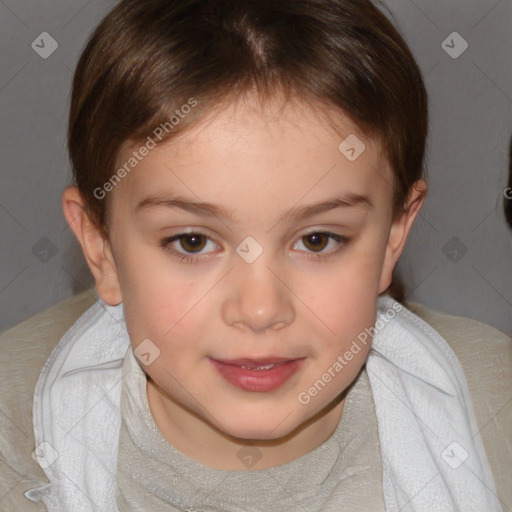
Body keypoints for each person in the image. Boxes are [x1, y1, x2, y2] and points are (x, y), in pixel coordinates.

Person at [0, 0, 510, 511]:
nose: (261, 310)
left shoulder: (493, 404)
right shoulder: (15, 430)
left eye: (317, 240)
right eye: (193, 242)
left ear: (393, 237)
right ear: (101, 248)